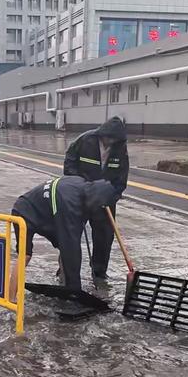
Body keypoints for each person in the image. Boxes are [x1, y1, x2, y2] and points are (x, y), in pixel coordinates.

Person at [9, 176, 117, 301]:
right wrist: (76, 290)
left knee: (64, 246)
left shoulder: (81, 185)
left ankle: (64, 286)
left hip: (45, 213)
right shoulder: (69, 202)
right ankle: (11, 300)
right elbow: (71, 245)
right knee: (25, 255)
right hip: (23, 213)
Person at [63, 116, 129, 281]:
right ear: (102, 134)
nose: (109, 142)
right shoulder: (85, 140)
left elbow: (121, 178)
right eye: (108, 138)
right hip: (81, 196)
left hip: (104, 199)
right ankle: (66, 270)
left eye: (114, 140)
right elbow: (69, 164)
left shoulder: (120, 148)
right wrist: (79, 186)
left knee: (105, 236)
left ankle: (99, 271)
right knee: (71, 234)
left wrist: (111, 196)